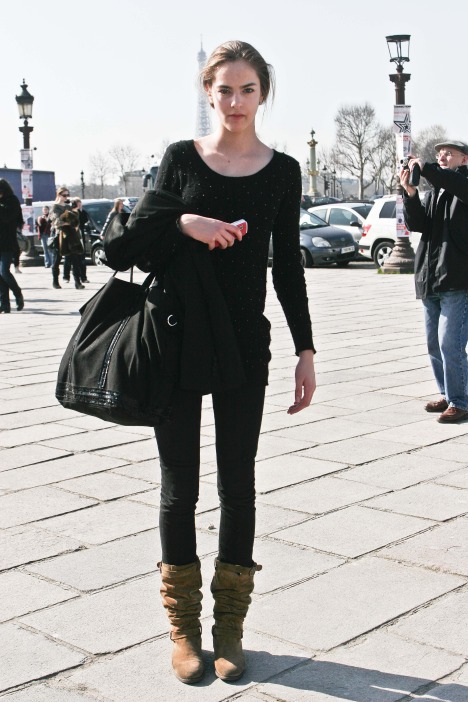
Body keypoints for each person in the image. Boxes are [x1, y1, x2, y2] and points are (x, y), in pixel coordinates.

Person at [105, 40, 316, 685]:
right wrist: (185, 223)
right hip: (175, 339)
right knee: (180, 484)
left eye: (247, 89)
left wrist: (306, 349)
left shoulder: (282, 171)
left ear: (263, 94)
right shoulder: (179, 159)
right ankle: (183, 629)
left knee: (238, 483)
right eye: (224, 89)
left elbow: (287, 265)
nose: (235, 101)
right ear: (208, 92)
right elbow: (125, 248)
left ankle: (229, 628)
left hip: (245, 344)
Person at [402, 140, 468, 423]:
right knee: (433, 344)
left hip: (457, 279)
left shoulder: (461, 185)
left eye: (449, 153)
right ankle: (447, 393)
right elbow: (417, 225)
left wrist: (426, 168)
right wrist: (410, 194)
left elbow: (454, 183)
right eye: (439, 153)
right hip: (430, 278)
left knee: (450, 343)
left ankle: (460, 401)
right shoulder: (436, 192)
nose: (442, 156)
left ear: (464, 160)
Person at [49, 187, 85, 290]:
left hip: (70, 234)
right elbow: (56, 222)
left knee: (75, 259)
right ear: (59, 195)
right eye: (64, 195)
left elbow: (74, 221)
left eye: (67, 195)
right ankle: (55, 281)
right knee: (57, 259)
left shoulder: (68, 207)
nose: (66, 197)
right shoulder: (54, 207)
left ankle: (77, 282)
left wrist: (71, 220)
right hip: (59, 235)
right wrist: (67, 222)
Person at [0, 179, 25, 313]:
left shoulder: (12, 200)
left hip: (7, 242)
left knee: (4, 271)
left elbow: (7, 217)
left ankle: (18, 293)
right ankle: (4, 304)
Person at [64, 198, 89, 283]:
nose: (78, 205)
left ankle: (83, 277)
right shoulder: (69, 213)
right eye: (77, 204)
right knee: (68, 258)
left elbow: (85, 220)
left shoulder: (82, 212)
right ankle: (66, 277)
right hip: (71, 237)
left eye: (79, 203)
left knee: (81, 259)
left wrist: (80, 212)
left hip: (80, 236)